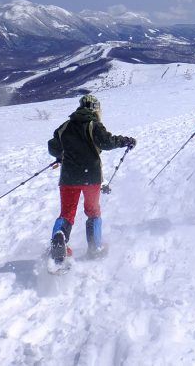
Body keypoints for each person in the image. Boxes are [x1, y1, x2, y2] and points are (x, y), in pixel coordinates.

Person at [47, 94, 137, 262]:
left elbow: (53, 147)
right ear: (96, 108)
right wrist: (126, 141)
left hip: (68, 178)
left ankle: (59, 238)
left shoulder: (65, 126)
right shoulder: (94, 125)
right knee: (93, 212)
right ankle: (95, 247)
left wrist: (63, 154)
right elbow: (107, 142)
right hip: (91, 177)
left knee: (66, 213)